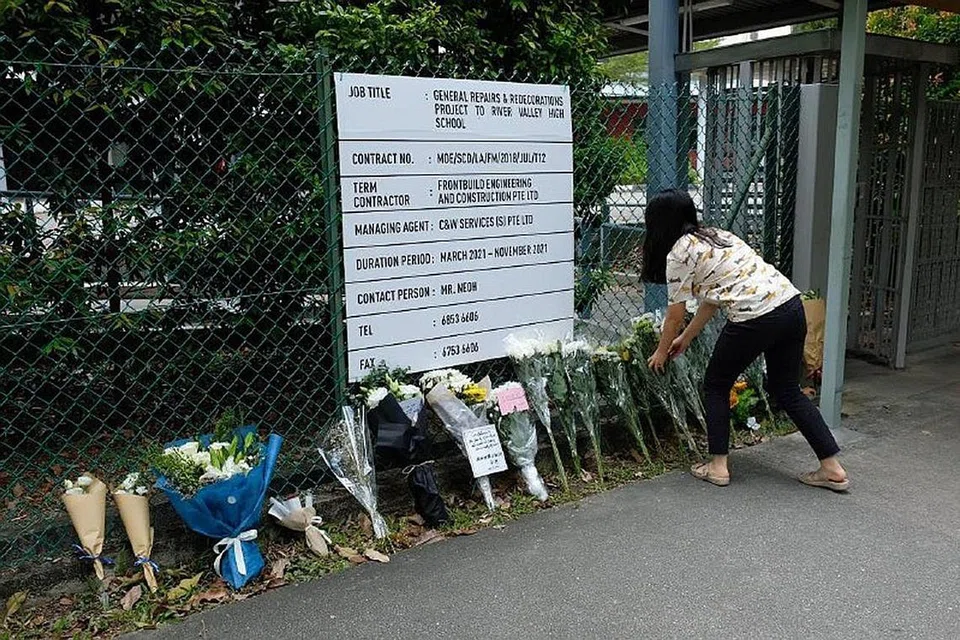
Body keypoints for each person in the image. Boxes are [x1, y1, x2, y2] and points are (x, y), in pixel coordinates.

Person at [641, 189, 848, 491]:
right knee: (788, 389)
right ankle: (832, 467)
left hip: (755, 317)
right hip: (790, 307)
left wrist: (661, 352)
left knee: (716, 383)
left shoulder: (679, 253)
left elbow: (674, 315)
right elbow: (711, 300)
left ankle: (718, 466)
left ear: (657, 223)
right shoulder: (717, 236)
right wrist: (687, 337)